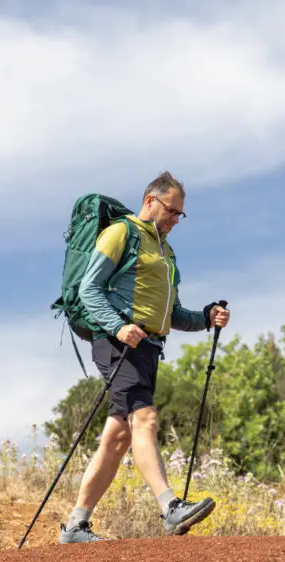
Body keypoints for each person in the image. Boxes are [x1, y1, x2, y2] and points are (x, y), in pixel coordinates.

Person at [59, 171, 230, 543]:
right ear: (151, 201)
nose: (175, 220)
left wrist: (205, 317)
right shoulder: (121, 233)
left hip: (148, 349)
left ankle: (75, 525)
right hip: (118, 343)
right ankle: (170, 507)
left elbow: (173, 315)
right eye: (172, 211)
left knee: (118, 437)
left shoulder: (166, 253)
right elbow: (90, 289)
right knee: (145, 418)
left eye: (180, 215)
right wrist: (118, 327)